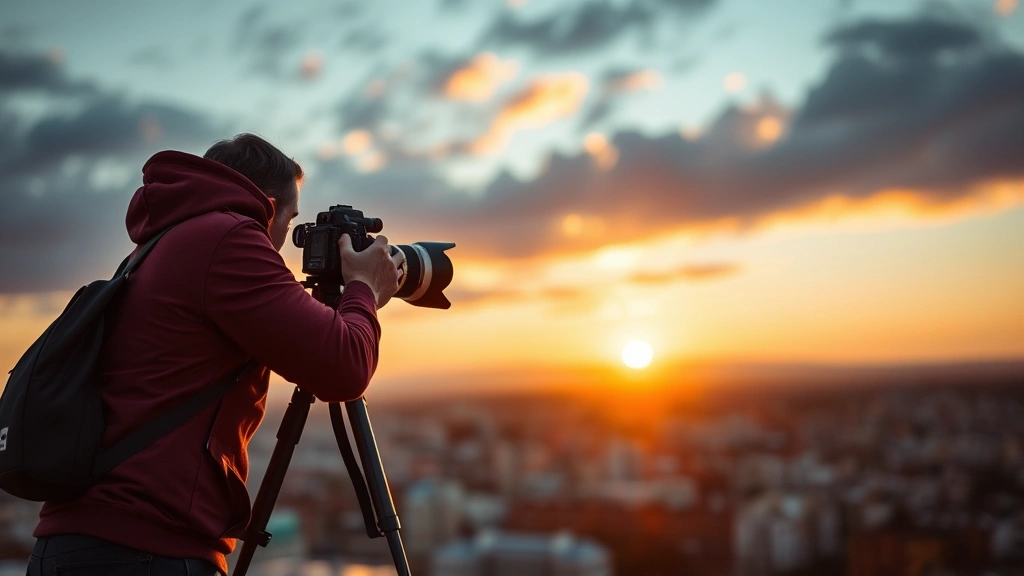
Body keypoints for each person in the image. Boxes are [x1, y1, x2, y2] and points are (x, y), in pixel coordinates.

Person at [26, 134, 404, 576]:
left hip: (80, 545)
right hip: (145, 548)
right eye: (290, 223)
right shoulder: (229, 238)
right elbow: (345, 367)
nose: (284, 243)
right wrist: (365, 287)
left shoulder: (160, 244)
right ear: (268, 208)